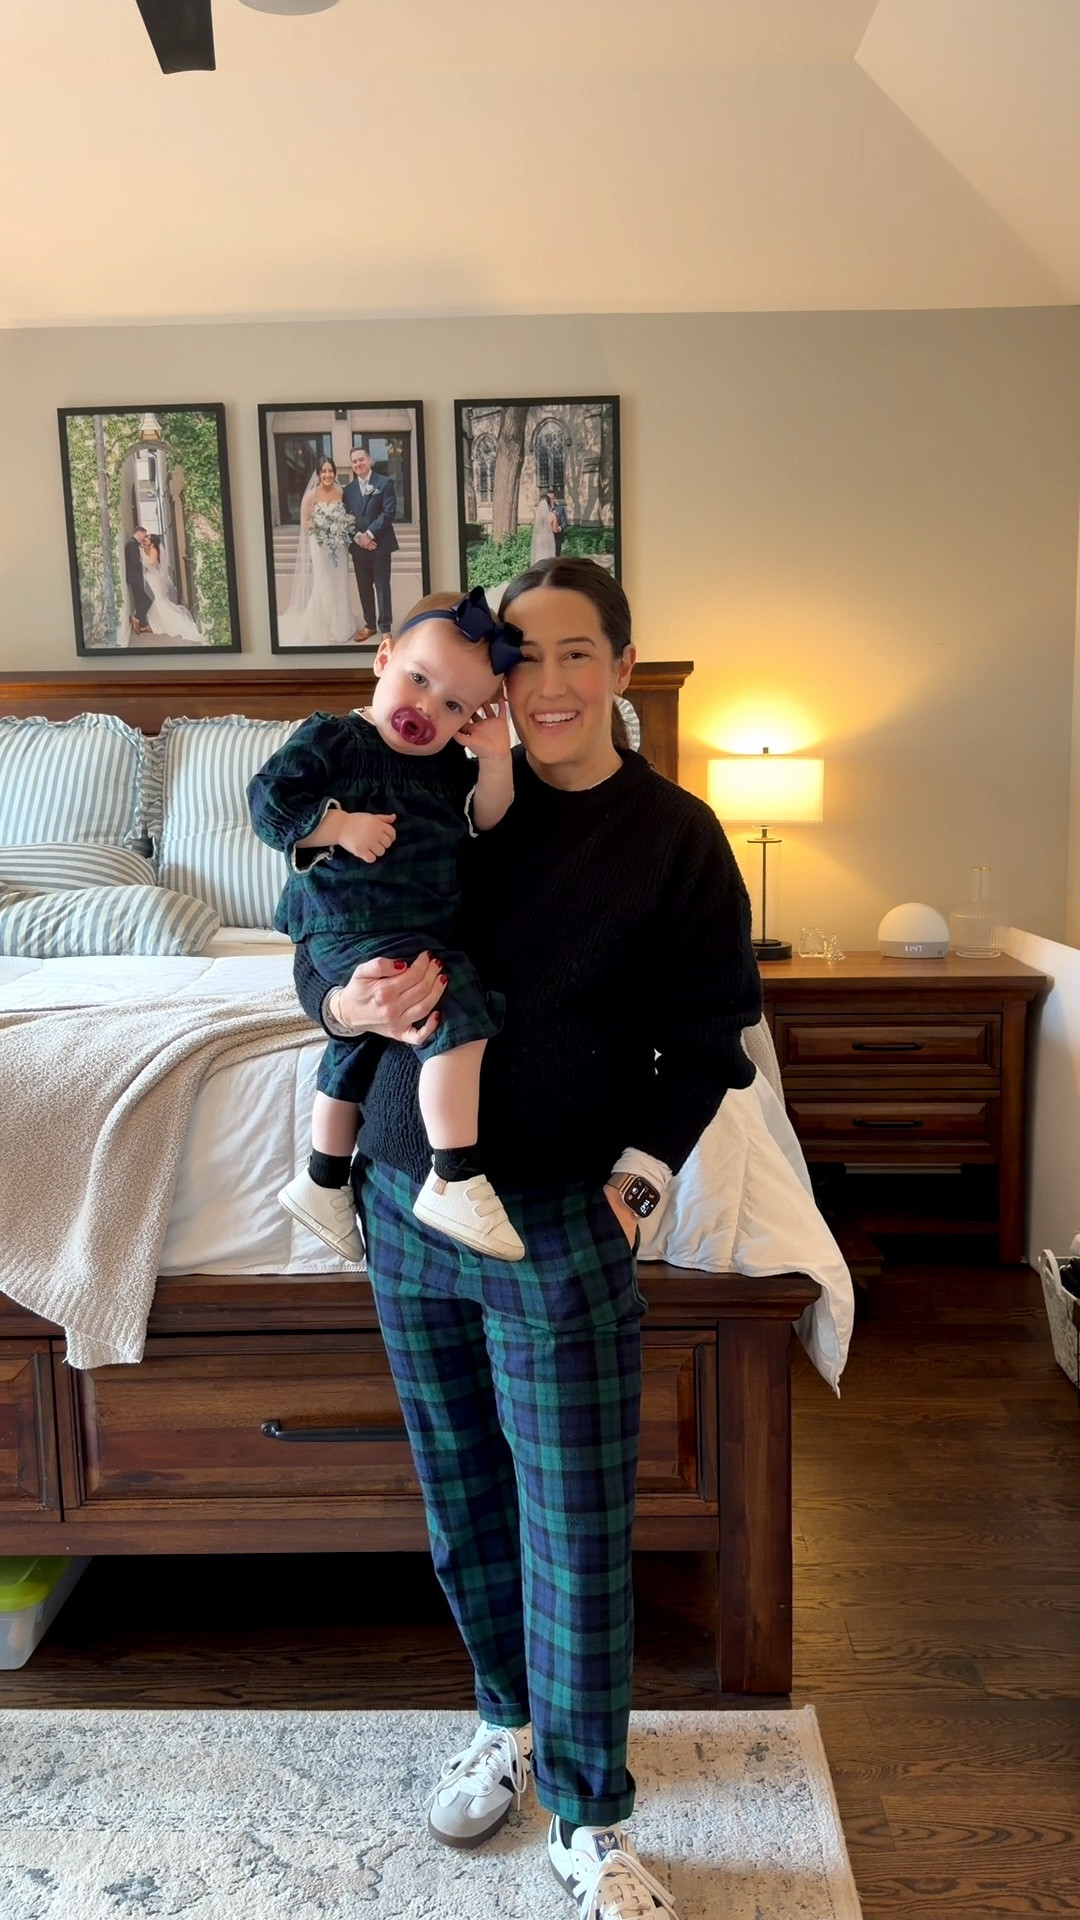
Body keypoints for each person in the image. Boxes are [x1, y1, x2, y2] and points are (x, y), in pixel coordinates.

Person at [291, 557, 761, 1920]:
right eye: (519, 659)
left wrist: (636, 1191)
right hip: (403, 1197)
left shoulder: (674, 836)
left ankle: (592, 1812)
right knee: (462, 1496)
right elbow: (319, 944)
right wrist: (344, 1011)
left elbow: (710, 1038)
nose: (543, 684)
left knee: (576, 1525)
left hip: (559, 1217)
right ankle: (505, 1721)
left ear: (622, 668)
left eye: (574, 654)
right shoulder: (423, 788)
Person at [248, 588, 527, 1267]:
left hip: (408, 925)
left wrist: (496, 759)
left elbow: (489, 822)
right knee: (454, 1005)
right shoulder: (335, 740)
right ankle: (454, 1174)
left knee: (367, 1037)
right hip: (348, 918)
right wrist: (338, 825)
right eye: (419, 680)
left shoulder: (446, 765)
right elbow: (267, 801)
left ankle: (323, 1181)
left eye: (454, 706)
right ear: (383, 657)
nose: (427, 709)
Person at [279, 456, 356, 649]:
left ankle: (341, 625)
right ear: (318, 473)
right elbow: (305, 521)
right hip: (320, 545)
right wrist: (323, 528)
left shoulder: (341, 492)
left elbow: (347, 515)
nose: (328, 475)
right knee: (324, 582)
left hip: (338, 546)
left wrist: (339, 527)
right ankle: (323, 627)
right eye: (324, 471)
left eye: (330, 471)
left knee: (339, 582)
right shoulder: (311, 496)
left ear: (335, 473)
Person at [343, 447, 398, 642]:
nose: (358, 464)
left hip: (380, 545)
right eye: (354, 461)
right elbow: (346, 517)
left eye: (361, 459)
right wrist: (359, 538)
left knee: (382, 587)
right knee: (364, 588)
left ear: (369, 460)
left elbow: (389, 512)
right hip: (359, 548)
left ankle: (386, 628)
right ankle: (369, 625)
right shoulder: (348, 490)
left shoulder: (384, 483)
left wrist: (369, 534)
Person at [142, 535, 208, 645]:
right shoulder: (151, 549)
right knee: (158, 600)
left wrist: (144, 559)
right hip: (153, 577)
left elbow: (152, 563)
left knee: (158, 600)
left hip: (153, 577)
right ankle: (156, 623)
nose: (146, 539)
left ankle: (162, 623)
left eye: (148, 538)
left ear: (152, 542)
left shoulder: (153, 550)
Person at [123, 525, 153, 638]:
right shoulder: (132, 544)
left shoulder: (133, 544)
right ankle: (136, 617)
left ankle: (141, 624)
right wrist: (145, 569)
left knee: (139, 599)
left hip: (134, 577)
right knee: (149, 598)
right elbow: (135, 562)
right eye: (143, 535)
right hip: (136, 577)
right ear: (139, 533)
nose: (143, 538)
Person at [529, 490, 559, 565]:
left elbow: (536, 527)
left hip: (539, 538)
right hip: (549, 538)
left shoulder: (537, 515)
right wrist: (558, 528)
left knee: (539, 555)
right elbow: (555, 530)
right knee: (548, 556)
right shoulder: (552, 515)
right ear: (549, 503)